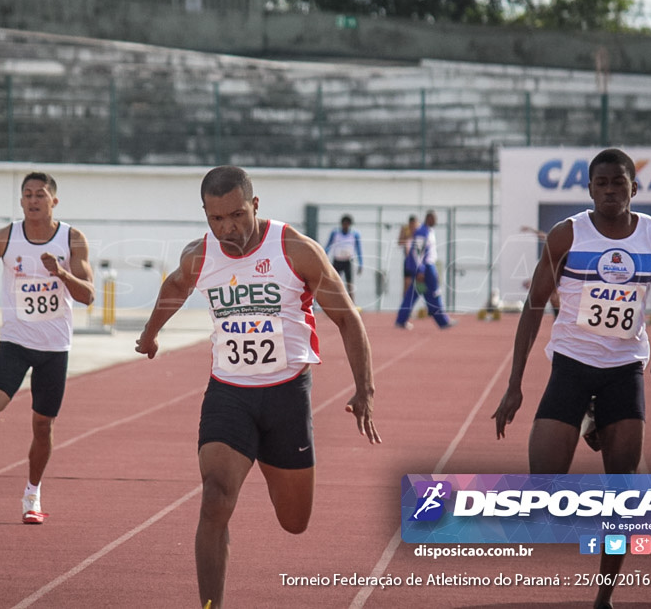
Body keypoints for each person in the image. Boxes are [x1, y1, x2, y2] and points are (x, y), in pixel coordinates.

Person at [134, 166, 380, 608]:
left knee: (294, 521)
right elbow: (174, 286)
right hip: (229, 394)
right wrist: (150, 334)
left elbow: (347, 317)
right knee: (214, 497)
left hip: (287, 394)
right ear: (205, 216)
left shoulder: (295, 250)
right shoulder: (200, 255)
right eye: (216, 219)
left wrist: (364, 389)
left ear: (255, 205)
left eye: (236, 215)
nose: (228, 228)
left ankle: (272, 458)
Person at [491, 148, 651, 609]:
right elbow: (534, 306)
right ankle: (587, 417)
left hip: (623, 370)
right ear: (590, 188)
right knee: (545, 483)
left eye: (619, 182)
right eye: (601, 183)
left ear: (635, 188)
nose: (611, 191)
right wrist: (514, 384)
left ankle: (604, 597)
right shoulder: (567, 235)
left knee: (621, 491)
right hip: (572, 365)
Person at [0, 172, 94, 524]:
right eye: (27, 195)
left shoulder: (72, 239)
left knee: (43, 426)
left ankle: (32, 493)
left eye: (40, 195)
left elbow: (88, 295)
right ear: (21, 201)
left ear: (53, 201)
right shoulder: (4, 237)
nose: (33, 200)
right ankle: (12, 383)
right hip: (16, 342)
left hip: (54, 348)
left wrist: (61, 274)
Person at [395, 210, 454, 330]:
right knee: (434, 293)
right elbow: (418, 253)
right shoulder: (422, 231)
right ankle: (442, 321)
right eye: (434, 218)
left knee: (412, 294)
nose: (436, 220)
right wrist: (420, 270)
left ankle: (401, 319)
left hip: (425, 266)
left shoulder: (429, 231)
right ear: (428, 218)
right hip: (425, 267)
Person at [324, 214, 363, 302]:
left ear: (350, 224)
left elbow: (359, 249)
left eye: (347, 224)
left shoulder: (355, 234)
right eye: (344, 224)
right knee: (334, 283)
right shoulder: (335, 233)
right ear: (342, 224)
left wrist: (361, 264)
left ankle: (352, 304)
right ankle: (332, 302)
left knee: (349, 283)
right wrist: (324, 256)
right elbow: (328, 245)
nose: (345, 226)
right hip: (337, 260)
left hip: (348, 261)